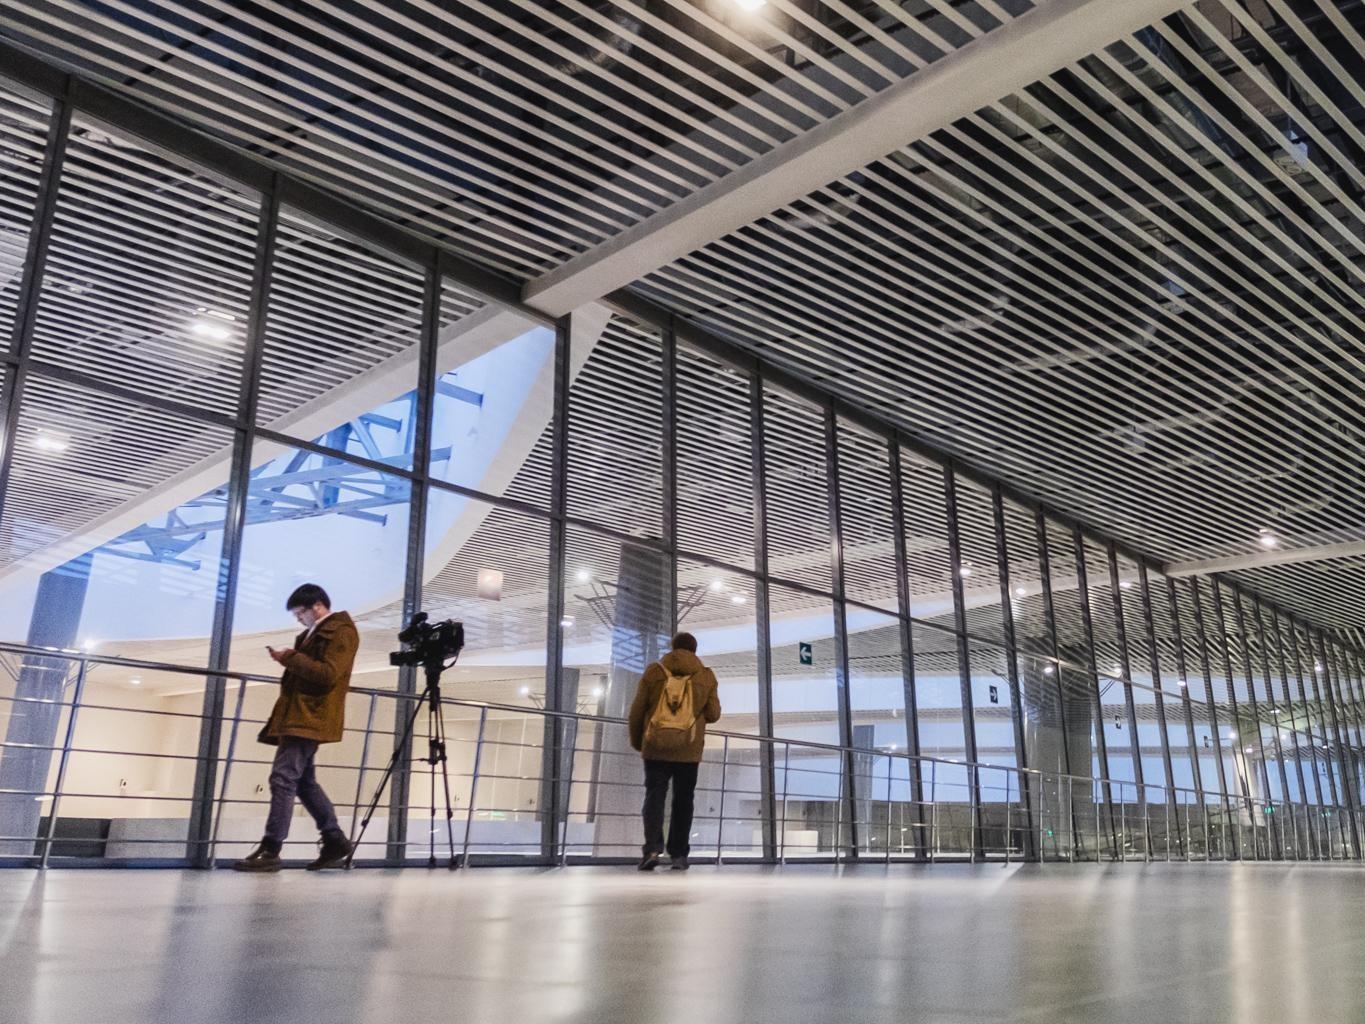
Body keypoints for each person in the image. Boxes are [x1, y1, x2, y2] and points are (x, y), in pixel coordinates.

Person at [234, 584, 359, 872]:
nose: (299, 619)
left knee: (283, 778)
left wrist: (289, 657)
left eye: (300, 613)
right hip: (302, 715)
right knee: (303, 782)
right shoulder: (315, 633)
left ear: (317, 606)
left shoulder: (340, 631)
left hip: (309, 716)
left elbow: (328, 674)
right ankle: (334, 840)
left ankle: (272, 848)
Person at [627, 632, 721, 872]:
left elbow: (637, 710)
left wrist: (639, 742)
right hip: (688, 749)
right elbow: (713, 714)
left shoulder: (654, 672)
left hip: (656, 746)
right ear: (694, 650)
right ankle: (678, 855)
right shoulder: (706, 676)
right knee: (683, 800)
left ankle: (652, 850)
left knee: (654, 797)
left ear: (672, 647)